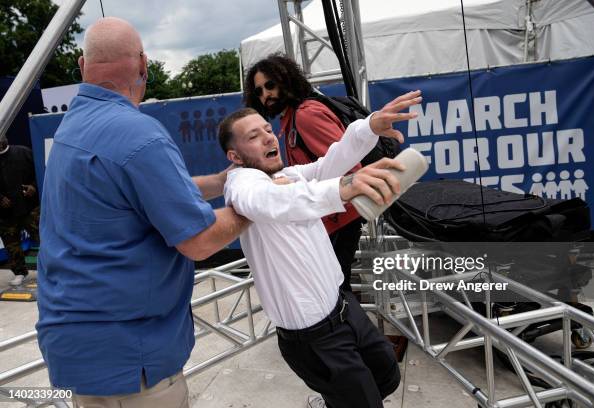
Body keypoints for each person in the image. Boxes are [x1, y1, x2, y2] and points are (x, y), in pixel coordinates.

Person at [36, 17, 249, 408]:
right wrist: (253, 204)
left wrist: (219, 182)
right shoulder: (139, 134)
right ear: (144, 65)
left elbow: (140, 193)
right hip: (132, 362)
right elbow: (199, 242)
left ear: (83, 66)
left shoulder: (72, 127)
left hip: (78, 350)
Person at [219, 90, 422, 408]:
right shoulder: (242, 185)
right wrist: (345, 187)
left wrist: (368, 126)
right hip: (314, 339)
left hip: (343, 309)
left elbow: (332, 161)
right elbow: (269, 202)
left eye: (268, 130)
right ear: (235, 156)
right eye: (253, 137)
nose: (268, 139)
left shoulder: (287, 175)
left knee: (386, 376)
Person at [245, 54, 365, 292]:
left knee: (335, 291)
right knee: (335, 290)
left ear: (286, 80)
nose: (265, 95)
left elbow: (348, 164)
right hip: (329, 218)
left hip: (339, 218)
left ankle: (354, 330)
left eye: (270, 85)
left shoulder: (306, 115)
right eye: (259, 91)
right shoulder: (291, 118)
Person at [0, 134, 39, 286]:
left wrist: (33, 187)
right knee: (11, 244)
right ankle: (20, 272)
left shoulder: (24, 152)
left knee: (45, 238)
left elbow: (40, 171)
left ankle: (53, 269)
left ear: (6, 138)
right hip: (6, 213)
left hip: (30, 208)